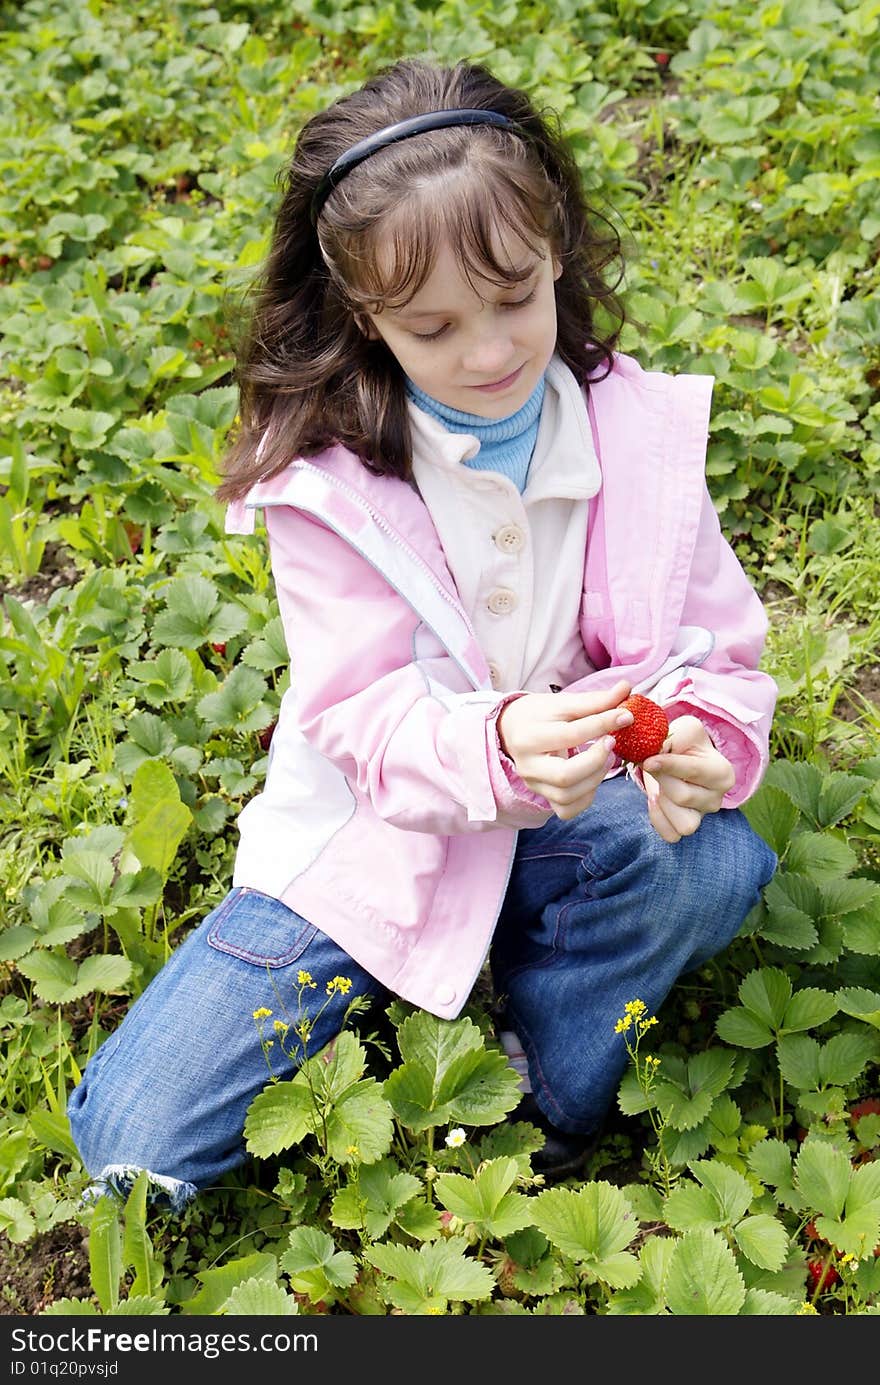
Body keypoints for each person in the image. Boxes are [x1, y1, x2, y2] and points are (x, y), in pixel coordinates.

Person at [67, 55, 778, 1209]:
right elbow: (363, 714)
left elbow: (713, 649)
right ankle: (417, 966)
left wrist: (697, 735)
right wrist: (497, 741)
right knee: (135, 1148)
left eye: (515, 301)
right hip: (376, 843)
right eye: (436, 326)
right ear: (364, 314)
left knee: (710, 858)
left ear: (557, 256)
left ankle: (543, 1079)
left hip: (571, 815)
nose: (491, 353)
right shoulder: (329, 485)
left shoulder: (634, 438)